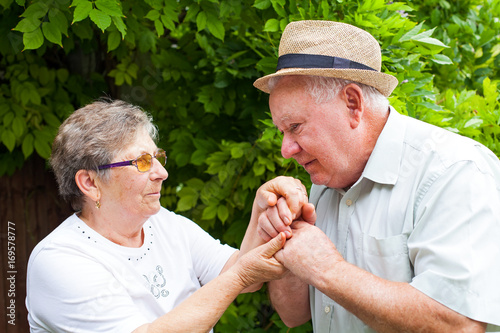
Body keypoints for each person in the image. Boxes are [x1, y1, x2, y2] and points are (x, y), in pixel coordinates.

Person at [252, 20, 500, 332]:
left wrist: (327, 269)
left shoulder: (454, 171)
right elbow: (293, 314)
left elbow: (458, 325)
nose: (286, 149)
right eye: (282, 131)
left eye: (296, 127)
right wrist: (285, 243)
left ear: (352, 104)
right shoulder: (326, 178)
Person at [25, 99, 309, 332]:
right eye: (142, 162)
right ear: (90, 183)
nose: (162, 173)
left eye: (157, 157)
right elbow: (240, 274)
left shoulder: (163, 223)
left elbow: (242, 275)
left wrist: (262, 212)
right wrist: (241, 273)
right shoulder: (60, 260)